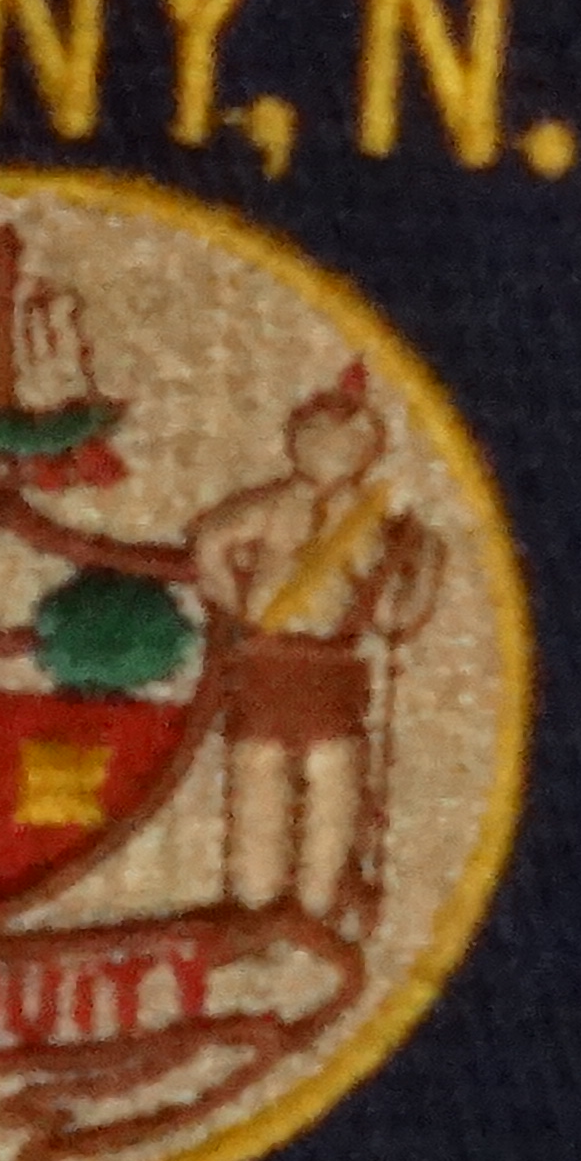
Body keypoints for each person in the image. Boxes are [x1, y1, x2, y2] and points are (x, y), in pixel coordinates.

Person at [187, 366, 442, 926]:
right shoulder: (276, 506)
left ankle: (308, 908)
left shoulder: (360, 523)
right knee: (270, 770)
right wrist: (234, 603)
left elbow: (390, 616)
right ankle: (264, 907)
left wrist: (423, 566)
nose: (333, 445)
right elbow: (211, 541)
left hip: (321, 666)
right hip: (277, 660)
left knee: (326, 775)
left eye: (347, 436)